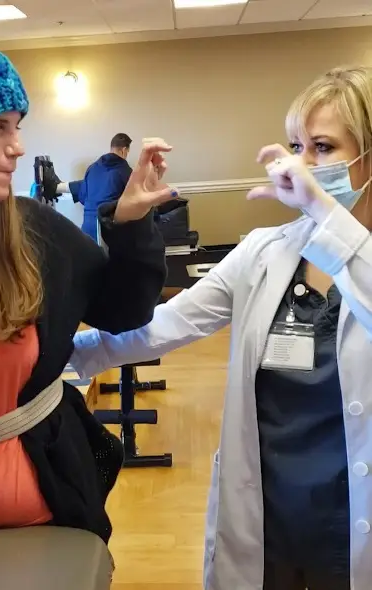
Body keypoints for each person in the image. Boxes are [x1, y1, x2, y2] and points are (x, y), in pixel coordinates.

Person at [0, 4, 177, 542]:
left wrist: (131, 225)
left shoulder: (34, 233)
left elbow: (122, 311)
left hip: (47, 514)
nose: (17, 146)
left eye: (16, 127)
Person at [71, 65, 372, 590]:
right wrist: (60, 353)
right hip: (266, 519)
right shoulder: (264, 251)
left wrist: (328, 217)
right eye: (296, 146)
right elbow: (162, 327)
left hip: (352, 526)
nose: (301, 164)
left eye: (322, 148)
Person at [57, 133, 134, 242]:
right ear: (124, 150)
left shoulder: (92, 168)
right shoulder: (125, 171)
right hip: (109, 230)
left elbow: (83, 196)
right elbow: (131, 202)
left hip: (88, 228)